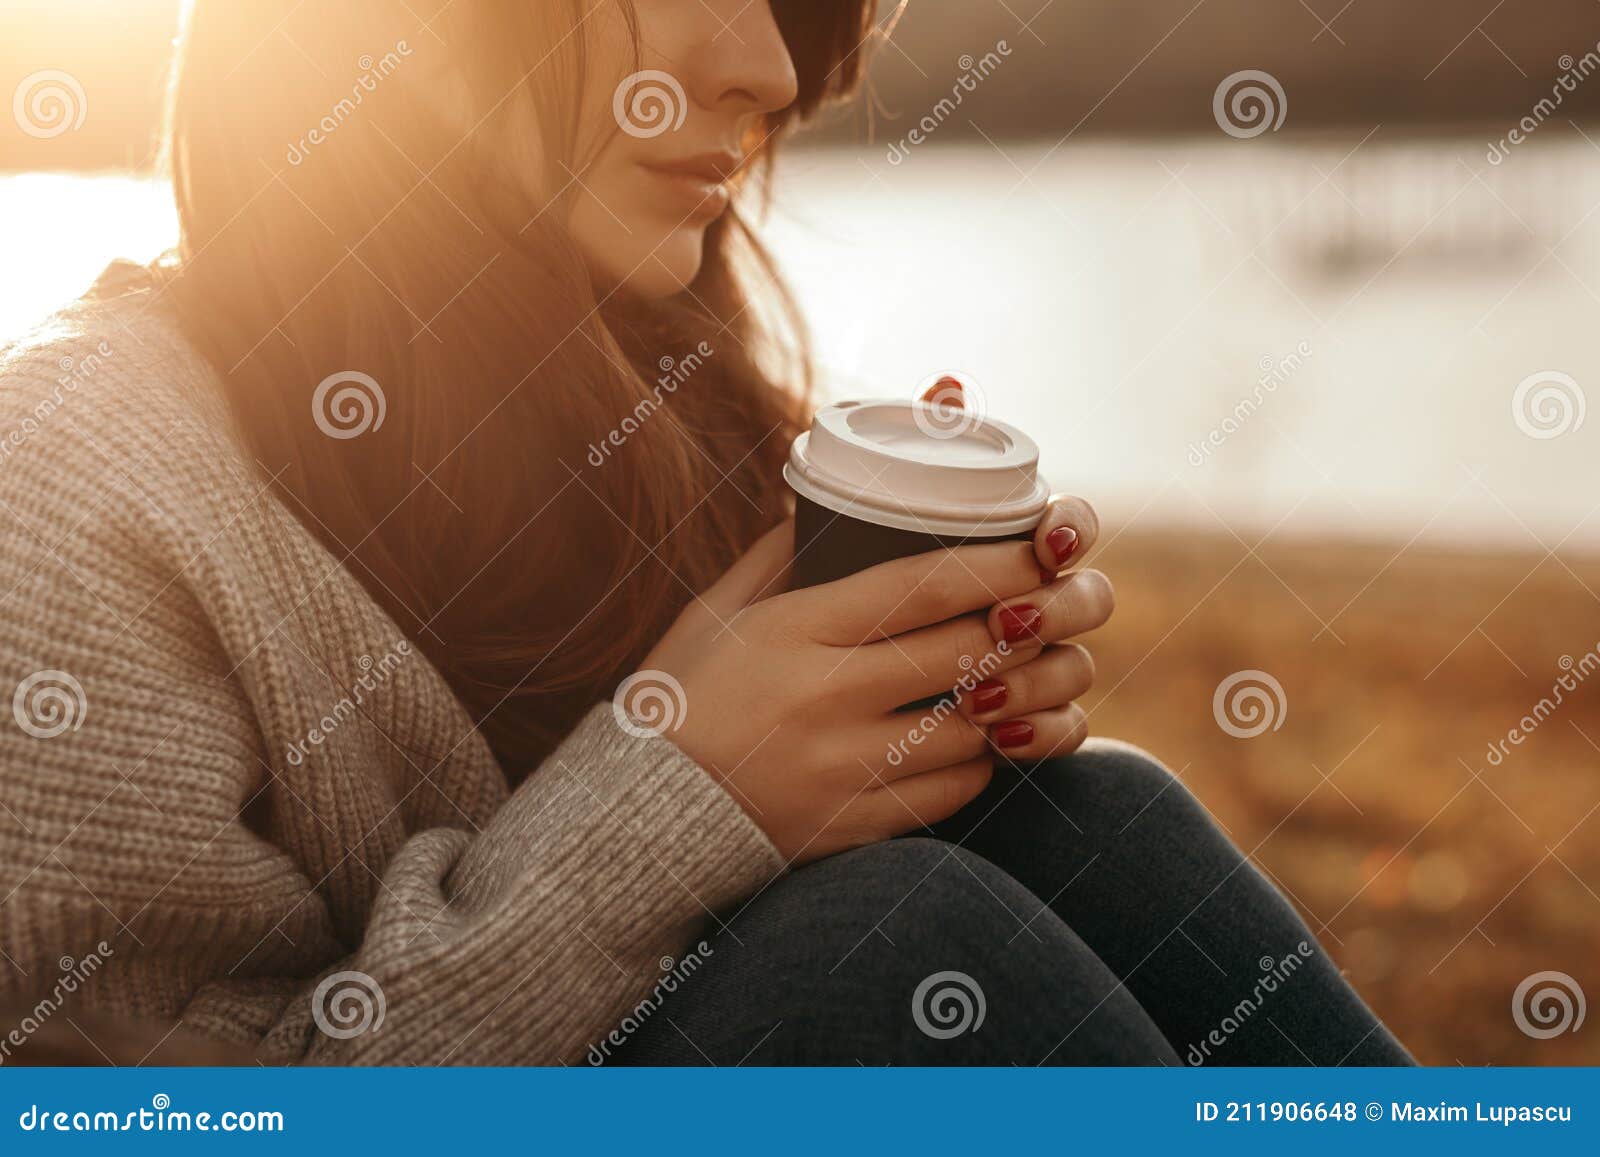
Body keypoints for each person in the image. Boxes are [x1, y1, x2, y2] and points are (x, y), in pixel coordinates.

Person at [0, 0, 1408, 1065]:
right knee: (895, 933)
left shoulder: (631, 380)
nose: (772, 69)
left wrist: (917, 705)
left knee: (1092, 819)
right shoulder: (80, 482)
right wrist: (676, 795)